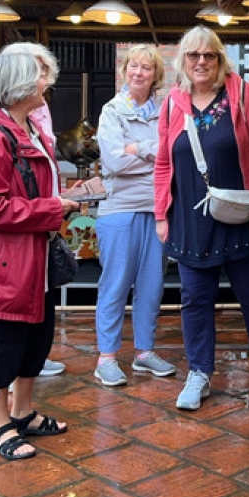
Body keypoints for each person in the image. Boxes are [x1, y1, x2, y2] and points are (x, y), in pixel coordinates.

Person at [0, 43, 80, 460]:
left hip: (34, 256)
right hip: (5, 261)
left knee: (36, 337)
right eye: (39, 75)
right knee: (4, 340)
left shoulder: (30, 129)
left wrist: (65, 197)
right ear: (20, 83)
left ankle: (23, 412)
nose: (47, 81)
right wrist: (52, 209)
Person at [154, 26, 249, 411]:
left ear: (220, 59)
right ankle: (199, 372)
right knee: (195, 299)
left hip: (241, 216)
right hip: (190, 221)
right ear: (183, 61)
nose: (200, 63)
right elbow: (163, 163)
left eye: (208, 55)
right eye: (193, 56)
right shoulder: (172, 105)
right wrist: (161, 213)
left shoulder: (245, 96)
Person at [93, 44, 175, 386]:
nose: (138, 73)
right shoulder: (112, 111)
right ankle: (106, 358)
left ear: (156, 75)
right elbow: (113, 162)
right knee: (114, 285)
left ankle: (144, 353)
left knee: (152, 286)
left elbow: (173, 155)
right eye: (134, 66)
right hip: (120, 210)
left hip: (158, 210)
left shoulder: (166, 111)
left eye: (146, 67)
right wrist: (153, 158)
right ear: (124, 69)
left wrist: (137, 149)